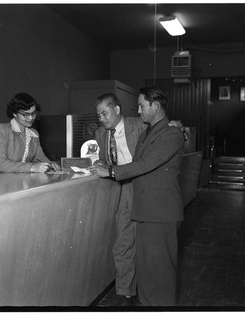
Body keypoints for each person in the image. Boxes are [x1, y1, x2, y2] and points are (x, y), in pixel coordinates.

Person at [90, 85, 186, 306]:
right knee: (147, 267)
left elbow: (147, 163)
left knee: (160, 270)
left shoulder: (168, 131)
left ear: (155, 105)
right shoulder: (147, 133)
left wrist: (112, 171)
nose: (139, 111)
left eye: (142, 106)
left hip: (159, 208)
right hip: (145, 206)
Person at [93, 93, 147, 306]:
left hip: (143, 185)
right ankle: (125, 293)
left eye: (104, 113)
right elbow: (104, 159)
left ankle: (143, 287)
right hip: (122, 188)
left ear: (116, 109)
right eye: (98, 115)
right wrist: (98, 164)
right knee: (124, 241)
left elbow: (165, 130)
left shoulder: (140, 124)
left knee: (145, 241)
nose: (101, 119)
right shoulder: (100, 133)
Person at [0, 92, 60, 174]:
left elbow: (40, 158)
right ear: (14, 113)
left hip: (19, 181)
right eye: (26, 114)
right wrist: (31, 167)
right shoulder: (1, 130)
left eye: (33, 113)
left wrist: (50, 164)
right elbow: (0, 164)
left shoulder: (33, 134)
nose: (30, 118)